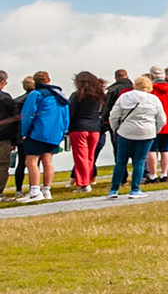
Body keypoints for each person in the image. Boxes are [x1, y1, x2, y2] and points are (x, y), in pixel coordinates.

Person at [107, 75, 165, 200]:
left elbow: (114, 115)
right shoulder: (153, 99)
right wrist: (155, 130)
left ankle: (114, 189)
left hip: (126, 131)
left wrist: (116, 128)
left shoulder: (125, 97)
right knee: (139, 161)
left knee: (121, 161)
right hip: (146, 133)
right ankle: (135, 189)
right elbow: (162, 119)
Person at [17, 72, 69, 203]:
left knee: (31, 161)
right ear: (48, 80)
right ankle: (47, 190)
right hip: (55, 133)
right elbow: (65, 115)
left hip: (38, 132)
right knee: (48, 161)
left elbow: (28, 114)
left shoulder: (36, 94)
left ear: (35, 82)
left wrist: (24, 132)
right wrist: (63, 131)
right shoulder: (59, 95)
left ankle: (35, 191)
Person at [67, 72, 108, 193]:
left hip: (79, 128)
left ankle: (83, 184)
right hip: (94, 128)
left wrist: (67, 127)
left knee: (81, 157)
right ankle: (88, 180)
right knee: (90, 156)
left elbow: (71, 113)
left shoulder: (76, 96)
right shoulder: (99, 96)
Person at [0, 71, 17, 200]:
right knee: (2, 165)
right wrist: (14, 139)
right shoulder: (5, 98)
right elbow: (13, 118)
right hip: (3, 136)